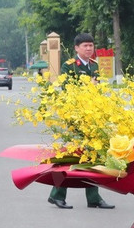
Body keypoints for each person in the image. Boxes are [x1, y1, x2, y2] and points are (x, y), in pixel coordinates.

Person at [47, 33, 115, 209]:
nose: (89, 48)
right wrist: (87, 86)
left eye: (91, 45)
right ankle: (56, 194)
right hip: (75, 117)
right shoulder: (69, 65)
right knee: (70, 156)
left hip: (92, 117)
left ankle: (93, 197)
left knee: (93, 156)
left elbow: (99, 90)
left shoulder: (95, 65)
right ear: (76, 48)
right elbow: (67, 88)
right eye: (85, 45)